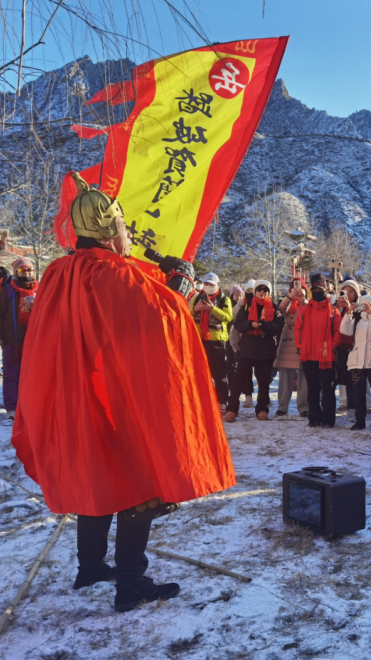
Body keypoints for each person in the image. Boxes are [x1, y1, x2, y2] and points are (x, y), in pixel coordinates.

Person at [11, 173, 234, 612]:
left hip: (76, 399)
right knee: (139, 483)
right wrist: (180, 289)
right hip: (115, 399)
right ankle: (131, 582)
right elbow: (157, 324)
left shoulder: (59, 272)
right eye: (125, 228)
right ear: (109, 232)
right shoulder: (110, 274)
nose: (130, 236)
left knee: (98, 477)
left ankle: (91, 566)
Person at [225, 281, 283, 422]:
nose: (262, 292)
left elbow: (279, 327)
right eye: (259, 290)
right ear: (255, 292)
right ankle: (232, 409)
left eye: (265, 290)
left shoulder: (274, 307)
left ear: (269, 292)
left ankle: (262, 408)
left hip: (265, 348)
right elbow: (238, 324)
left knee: (263, 381)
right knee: (238, 379)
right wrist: (250, 324)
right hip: (248, 347)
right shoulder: (246, 306)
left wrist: (265, 326)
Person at [296, 273, 342, 428]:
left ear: (325, 291)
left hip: (326, 355)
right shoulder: (304, 310)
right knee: (313, 388)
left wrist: (332, 345)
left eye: (320, 289)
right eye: (315, 290)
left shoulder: (333, 311)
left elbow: (338, 331)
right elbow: (298, 329)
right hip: (308, 355)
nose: (317, 292)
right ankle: (314, 418)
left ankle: (328, 419)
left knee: (328, 388)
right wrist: (300, 345)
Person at [0, 257, 39, 420]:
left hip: (34, 339)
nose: (27, 273)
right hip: (12, 339)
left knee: (32, 373)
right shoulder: (7, 290)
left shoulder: (40, 290)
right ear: (16, 272)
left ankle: (29, 404)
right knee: (11, 373)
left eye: (30, 270)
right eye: (23, 270)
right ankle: (12, 407)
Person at [189, 272, 234, 414]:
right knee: (199, 373)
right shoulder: (197, 298)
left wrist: (212, 309)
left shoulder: (224, 299)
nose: (208, 287)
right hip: (199, 340)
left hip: (217, 341)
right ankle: (201, 400)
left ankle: (223, 402)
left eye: (211, 284)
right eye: (206, 284)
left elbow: (228, 317)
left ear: (218, 285)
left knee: (219, 373)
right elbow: (186, 313)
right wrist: (194, 309)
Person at [341, 294, 371, 430]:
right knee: (358, 392)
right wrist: (349, 313)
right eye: (362, 304)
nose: (363, 307)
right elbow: (344, 330)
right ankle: (360, 420)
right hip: (357, 360)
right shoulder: (357, 318)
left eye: (366, 304)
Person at [275, 280, 308, 420]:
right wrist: (290, 297)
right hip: (288, 339)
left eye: (301, 288)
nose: (298, 290)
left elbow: (310, 313)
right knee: (285, 376)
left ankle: (304, 407)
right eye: (294, 288)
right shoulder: (288, 302)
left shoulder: (307, 303)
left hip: (303, 339)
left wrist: (302, 300)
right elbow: (281, 309)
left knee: (304, 376)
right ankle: (282, 406)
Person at [335, 279, 361, 416]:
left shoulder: (360, 306)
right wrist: (337, 308)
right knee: (338, 378)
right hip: (337, 347)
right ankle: (341, 404)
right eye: (344, 291)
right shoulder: (336, 306)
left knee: (353, 380)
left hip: (354, 347)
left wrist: (350, 309)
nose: (348, 294)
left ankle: (353, 408)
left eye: (351, 291)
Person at [230, 280, 256, 409]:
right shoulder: (239, 306)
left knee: (262, 372)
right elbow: (235, 327)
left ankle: (263, 398)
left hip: (260, 343)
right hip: (244, 343)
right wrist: (235, 343)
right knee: (245, 372)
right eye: (248, 291)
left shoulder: (266, 305)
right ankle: (248, 395)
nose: (251, 293)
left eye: (253, 290)